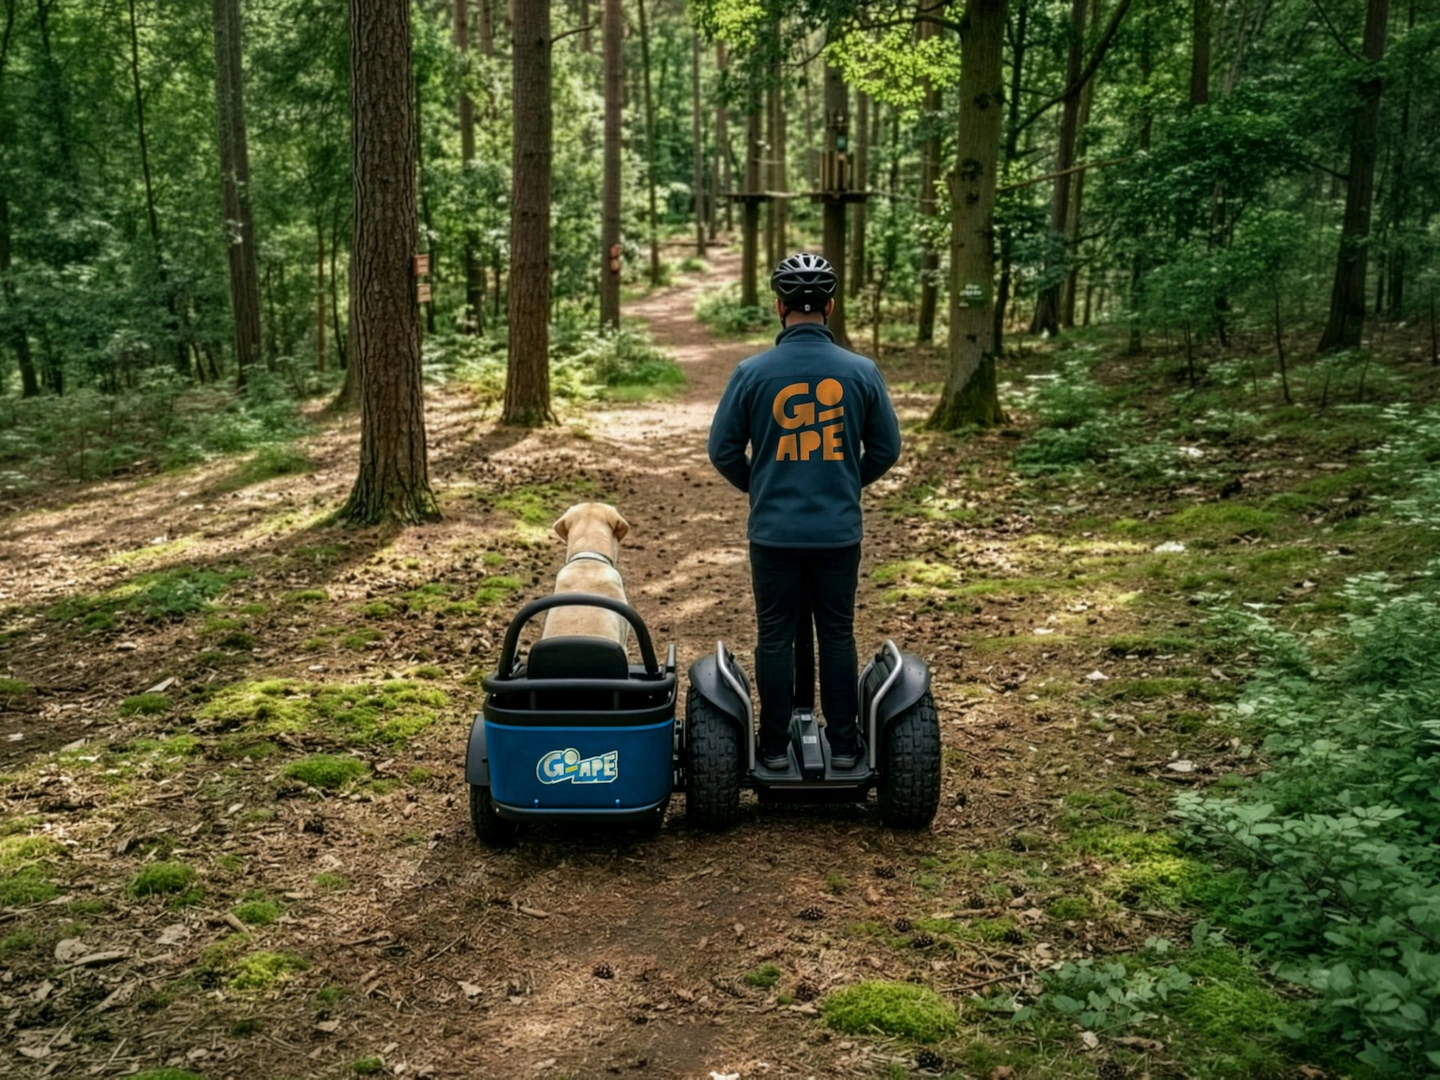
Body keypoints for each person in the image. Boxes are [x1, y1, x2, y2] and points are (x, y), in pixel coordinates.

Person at [707, 252, 902, 771]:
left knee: (775, 633)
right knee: (837, 633)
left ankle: (771, 749)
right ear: (830, 308)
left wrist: (763, 486)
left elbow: (722, 450)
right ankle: (843, 747)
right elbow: (886, 449)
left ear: (779, 307)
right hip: (838, 532)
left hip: (773, 532)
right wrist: (843, 483)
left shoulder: (751, 373)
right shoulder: (861, 371)